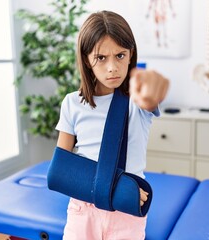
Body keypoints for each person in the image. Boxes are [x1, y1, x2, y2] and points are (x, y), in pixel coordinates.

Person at [56, 10, 169, 240]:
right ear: (87, 60)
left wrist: (152, 89)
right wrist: (117, 188)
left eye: (120, 55)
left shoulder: (137, 102)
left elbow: (149, 99)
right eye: (101, 58)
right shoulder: (72, 103)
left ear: (131, 55)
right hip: (83, 210)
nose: (112, 68)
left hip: (126, 213)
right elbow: (61, 171)